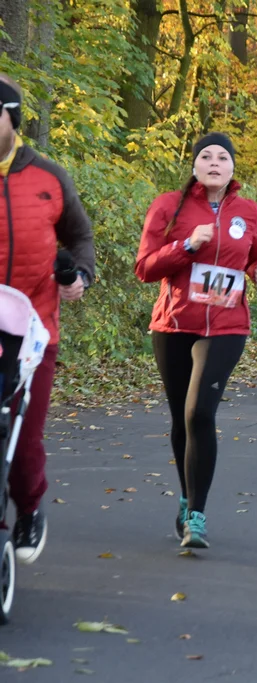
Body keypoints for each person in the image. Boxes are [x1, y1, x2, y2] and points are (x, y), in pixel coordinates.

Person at [136, 132, 257, 549]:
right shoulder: (168, 205)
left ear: (233, 168)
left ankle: (197, 513)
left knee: (200, 413)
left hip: (228, 326)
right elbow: (144, 267)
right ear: (194, 165)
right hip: (176, 325)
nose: (214, 162)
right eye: (206, 156)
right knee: (181, 418)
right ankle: (186, 495)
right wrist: (186, 245)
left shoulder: (247, 211)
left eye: (222, 157)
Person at [0, 74, 95, 564]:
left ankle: (30, 508)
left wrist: (78, 274)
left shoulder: (49, 178)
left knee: (22, 433)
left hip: (33, 330)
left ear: (11, 119)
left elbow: (80, 236)